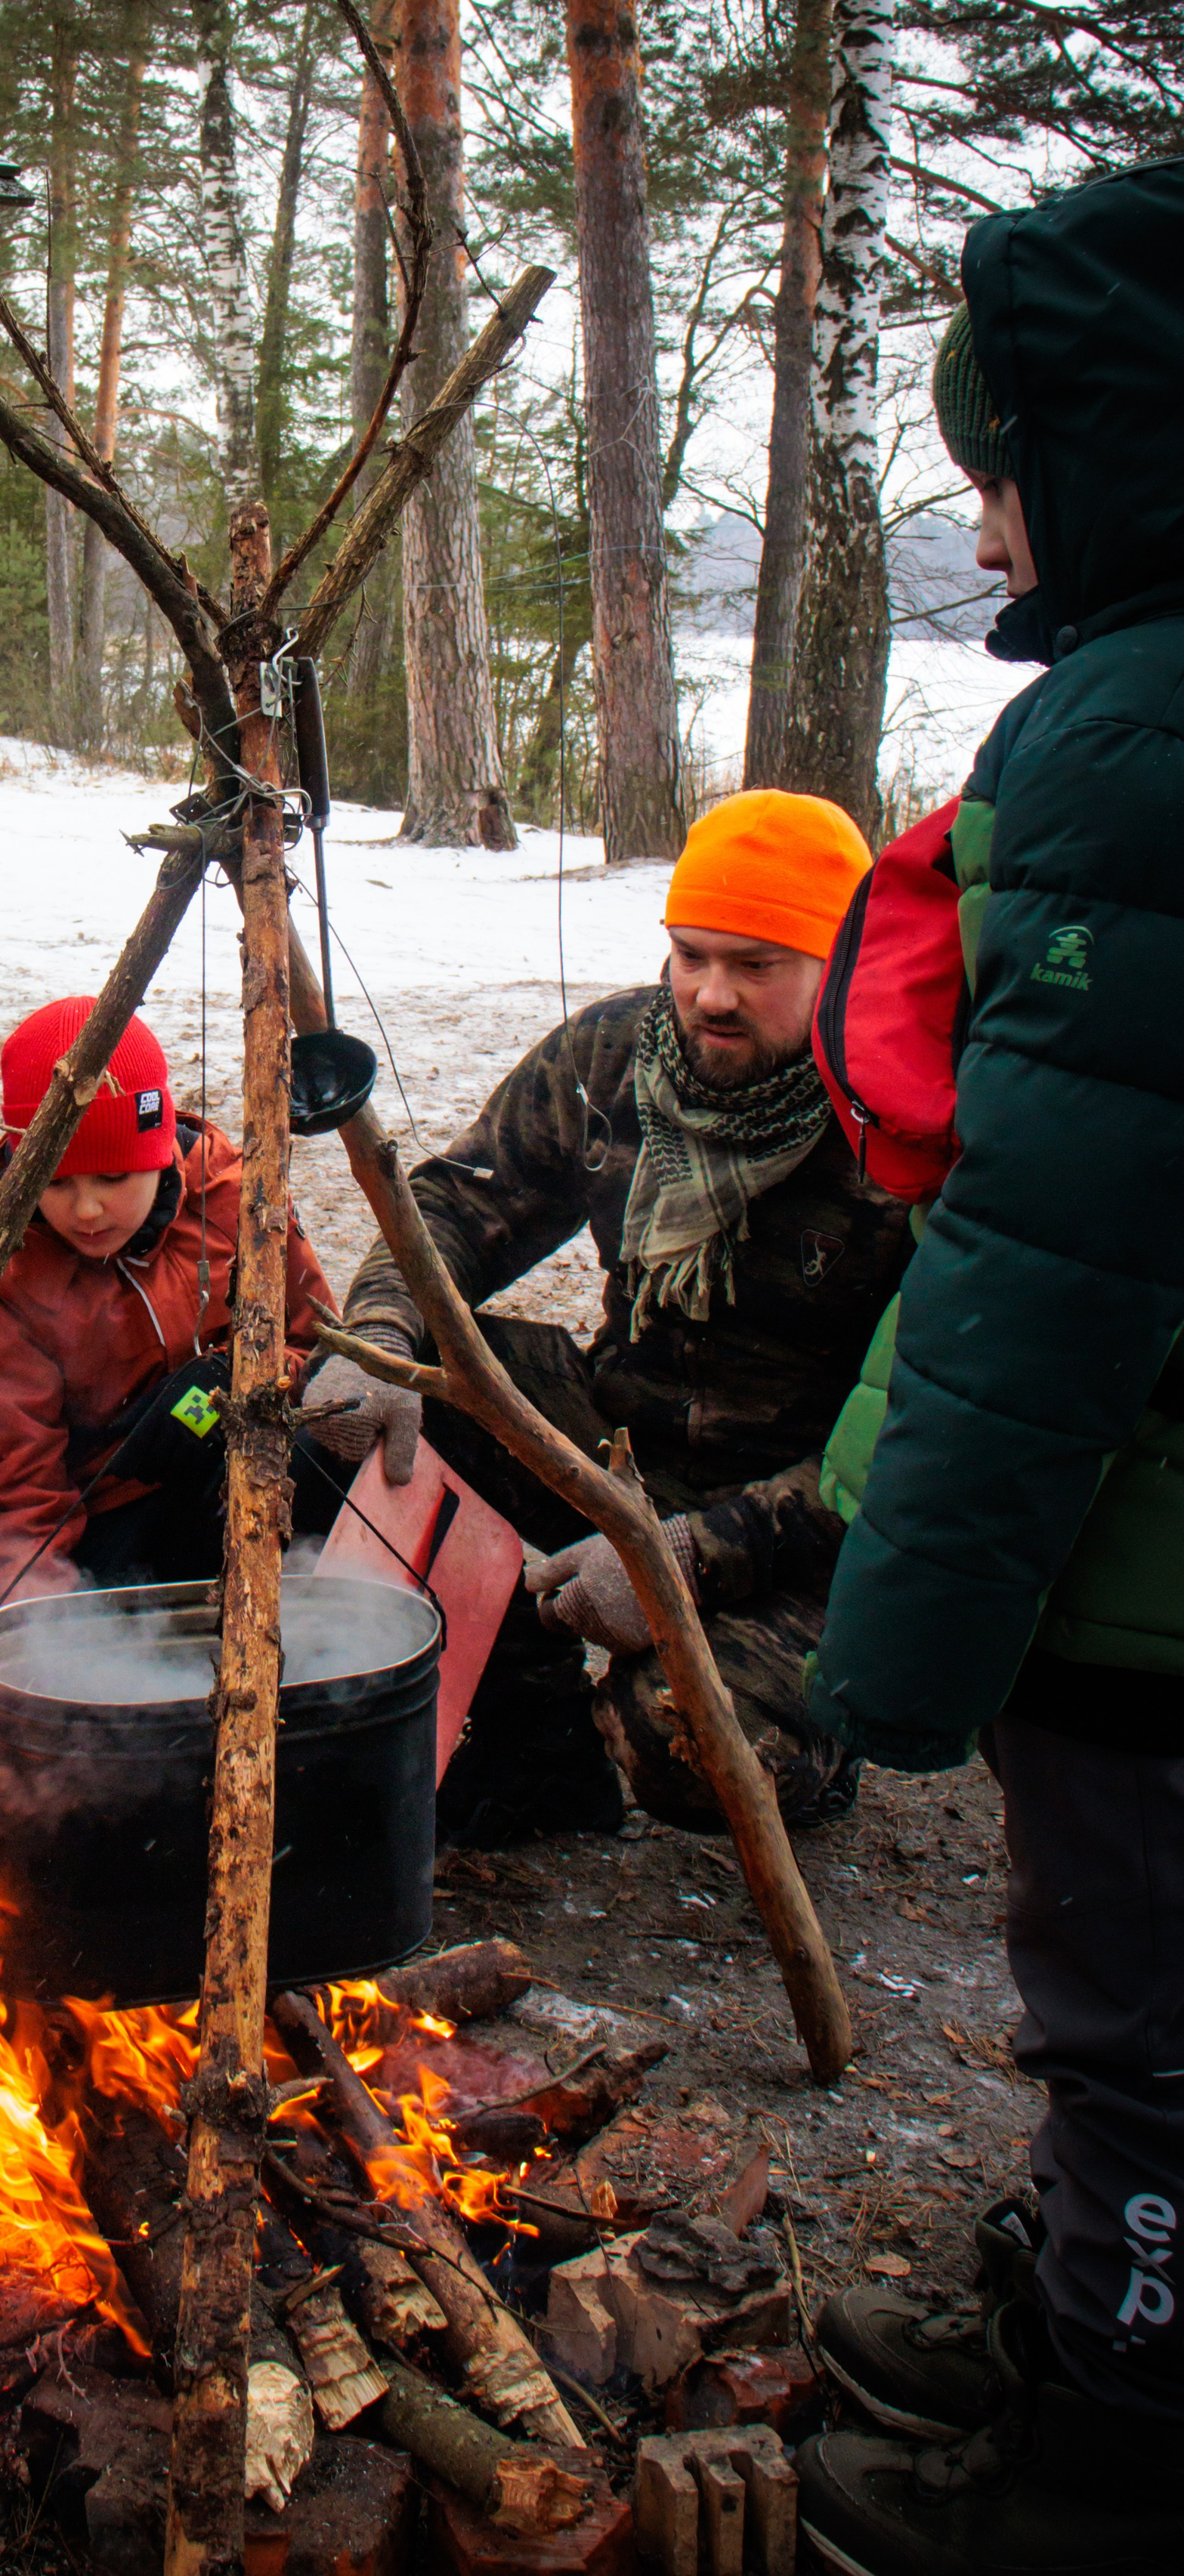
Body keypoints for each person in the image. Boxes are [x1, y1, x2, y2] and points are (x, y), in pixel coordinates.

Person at [793, 162, 1184, 2574]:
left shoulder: (1130, 748)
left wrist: (899, 1653)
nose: (990, 532)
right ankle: (1083, 2303)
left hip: (1138, 1561)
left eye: (997, 479)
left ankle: (1116, 2432)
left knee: (1127, 2003)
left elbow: (1055, 1255)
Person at [314, 792, 908, 1844]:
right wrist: (381, 1342)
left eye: (757, 964)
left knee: (683, 1741)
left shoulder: (900, 1124)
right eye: (691, 955)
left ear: (840, 963)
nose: (711, 994)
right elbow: (457, 1203)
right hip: (622, 1436)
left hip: (818, 1526)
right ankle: (532, 1733)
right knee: (367, 1417)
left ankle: (824, 1738)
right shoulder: (617, 1058)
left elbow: (910, 1444)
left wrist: (682, 1556)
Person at [0, 998, 337, 1623]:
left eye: (113, 1177)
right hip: (105, 1513)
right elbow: (17, 1488)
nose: (85, 1211)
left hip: (246, 1462)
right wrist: (28, 1644)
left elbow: (324, 1349)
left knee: (328, 1463)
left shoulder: (237, 1198)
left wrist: (242, 1378)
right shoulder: (7, 1270)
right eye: (56, 1182)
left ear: (158, 1151)